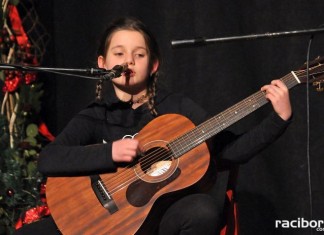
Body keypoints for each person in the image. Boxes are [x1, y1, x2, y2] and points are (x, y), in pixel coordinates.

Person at [14, 16, 292, 235]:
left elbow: (229, 151)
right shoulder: (97, 114)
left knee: (202, 211)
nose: (128, 61)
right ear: (102, 63)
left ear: (154, 64)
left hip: (156, 222)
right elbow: (49, 159)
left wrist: (278, 119)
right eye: (119, 53)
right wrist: (108, 153)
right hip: (104, 220)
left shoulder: (179, 109)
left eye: (139, 55)